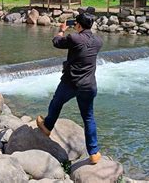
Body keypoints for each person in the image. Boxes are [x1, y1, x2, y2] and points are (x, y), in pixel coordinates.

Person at [36, 12, 103, 164]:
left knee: (57, 102)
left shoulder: (74, 38)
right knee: (88, 117)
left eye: (76, 24)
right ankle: (94, 153)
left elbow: (56, 42)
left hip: (71, 82)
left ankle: (47, 126)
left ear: (78, 25)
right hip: (89, 85)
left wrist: (61, 30)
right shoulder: (98, 41)